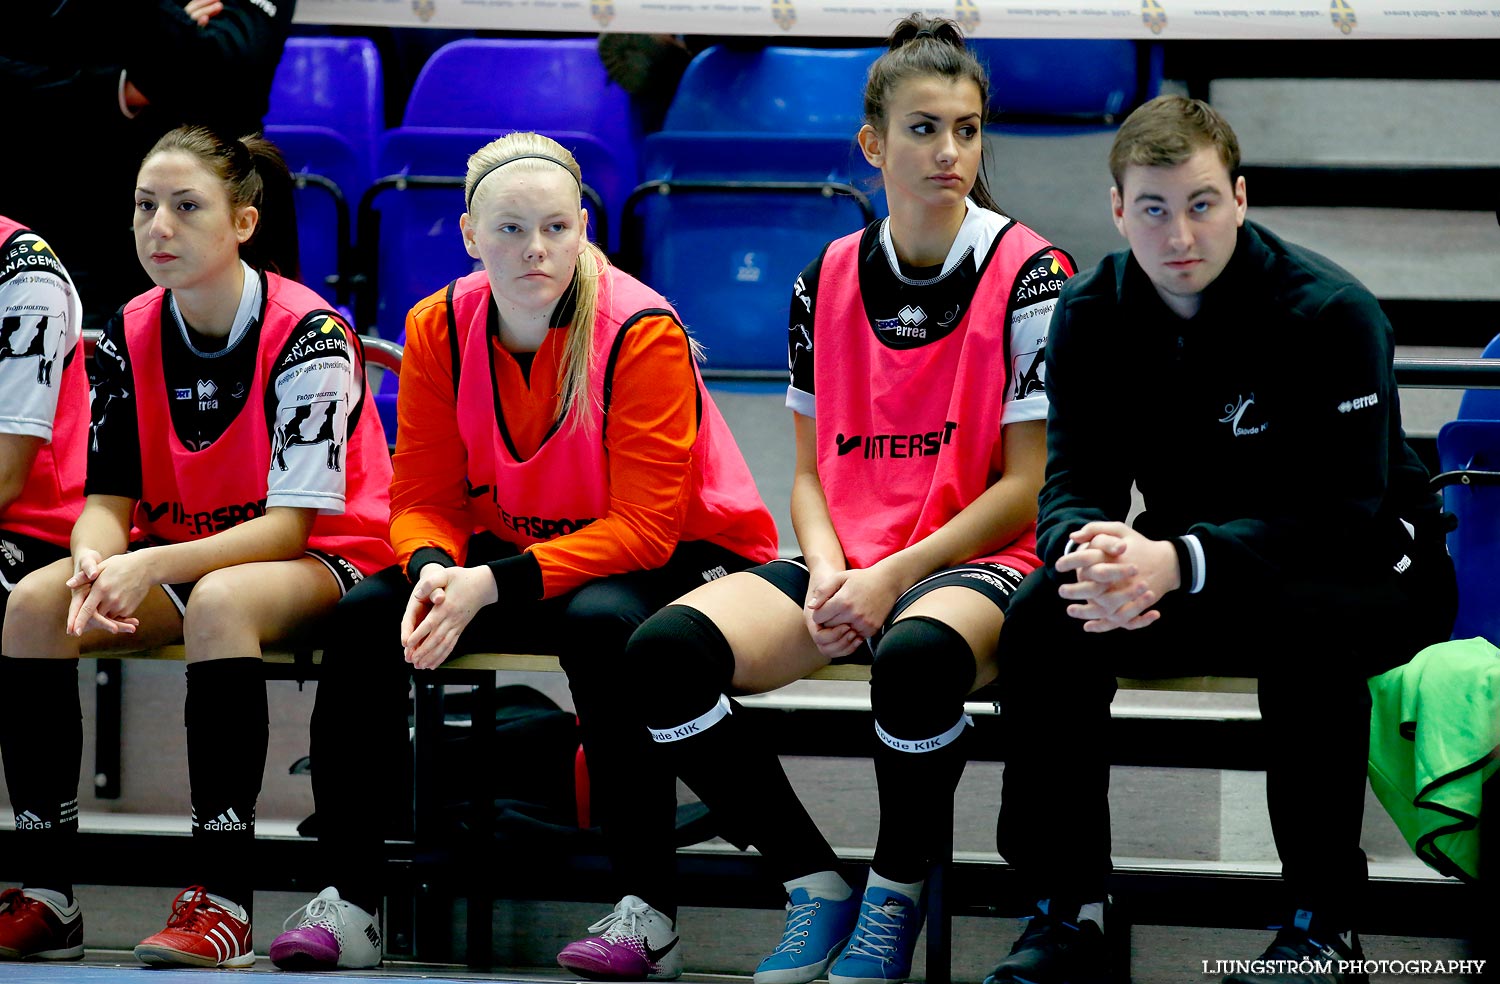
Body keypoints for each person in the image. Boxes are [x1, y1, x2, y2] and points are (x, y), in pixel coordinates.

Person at [612, 15, 1074, 984]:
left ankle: (891, 899)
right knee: (660, 656)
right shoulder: (821, 275)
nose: (950, 151)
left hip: (982, 559)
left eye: (968, 129)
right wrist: (827, 566)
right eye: (923, 129)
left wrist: (890, 577)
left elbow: (1028, 485)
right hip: (851, 551)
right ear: (871, 144)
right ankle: (813, 885)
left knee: (911, 659)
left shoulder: (1033, 272)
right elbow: (811, 471)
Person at [268, 130, 778, 975]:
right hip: (508, 551)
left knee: (603, 624)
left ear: (583, 227)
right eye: (508, 230)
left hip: (684, 553)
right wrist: (434, 570)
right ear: (470, 235)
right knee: (364, 617)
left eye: (554, 228)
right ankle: (351, 901)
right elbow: (422, 497)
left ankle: (648, 913)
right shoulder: (440, 326)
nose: (533, 249)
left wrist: (485, 586)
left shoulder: (639, 328)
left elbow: (645, 529)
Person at [984, 95, 1457, 984]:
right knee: (1049, 612)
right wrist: (1090, 551)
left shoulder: (1329, 313)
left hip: (1365, 563)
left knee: (1308, 632)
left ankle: (1322, 924)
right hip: (1195, 567)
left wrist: (1176, 562)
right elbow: (1074, 480)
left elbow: (1344, 512)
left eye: (1201, 203)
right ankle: (1068, 908)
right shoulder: (1089, 313)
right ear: (1119, 211)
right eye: (1154, 209)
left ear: (1239, 198)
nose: (1180, 234)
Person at [0, 125, 394, 968]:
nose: (158, 228)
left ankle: (222, 902)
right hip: (183, 547)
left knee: (219, 603)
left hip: (326, 551)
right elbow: (106, 504)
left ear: (244, 223)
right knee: (35, 603)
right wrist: (95, 557)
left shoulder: (311, 334)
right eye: (145, 207)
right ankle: (46, 894)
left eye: (185, 207)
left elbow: (288, 528)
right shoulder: (126, 330)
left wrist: (149, 563)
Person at [0, 0, 295, 332]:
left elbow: (226, 66)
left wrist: (156, 36)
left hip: (213, 236)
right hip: (68, 220)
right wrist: (124, 83)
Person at [0, 217, 89, 961]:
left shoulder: (22, 270)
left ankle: (49, 892)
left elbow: (6, 469)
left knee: (23, 609)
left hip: (41, 523)